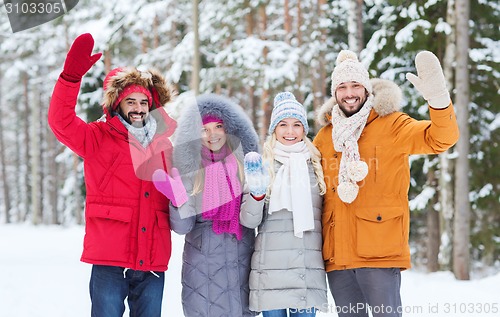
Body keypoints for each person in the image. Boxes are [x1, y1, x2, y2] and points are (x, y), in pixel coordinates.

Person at [313, 50, 460, 317]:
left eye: (356, 85)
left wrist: (438, 100)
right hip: (337, 256)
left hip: (379, 250)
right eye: (342, 87)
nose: (349, 93)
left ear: (367, 88)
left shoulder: (392, 124)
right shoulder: (324, 136)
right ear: (334, 92)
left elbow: (441, 139)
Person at [48, 33, 178, 317]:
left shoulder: (165, 145)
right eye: (130, 102)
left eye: (143, 102)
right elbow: (61, 123)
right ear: (117, 104)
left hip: (152, 261)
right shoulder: (98, 137)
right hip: (110, 257)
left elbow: (181, 195)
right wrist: (70, 79)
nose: (138, 108)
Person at [153, 94, 260, 317]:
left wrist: (257, 194)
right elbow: (184, 227)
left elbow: (252, 219)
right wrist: (178, 200)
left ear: (229, 128)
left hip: (242, 262)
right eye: (204, 129)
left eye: (218, 126)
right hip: (203, 273)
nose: (212, 134)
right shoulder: (191, 171)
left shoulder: (244, 166)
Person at [239, 92, 328, 317]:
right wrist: (257, 194)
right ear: (274, 130)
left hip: (306, 271)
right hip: (271, 272)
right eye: (283, 124)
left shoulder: (317, 164)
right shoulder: (263, 165)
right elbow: (249, 221)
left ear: (304, 129)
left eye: (297, 124)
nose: (290, 131)